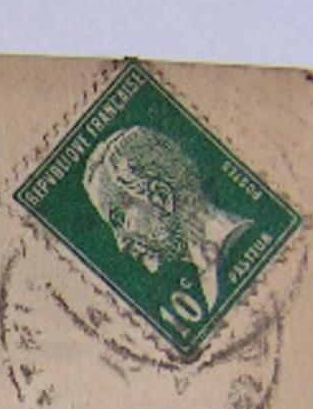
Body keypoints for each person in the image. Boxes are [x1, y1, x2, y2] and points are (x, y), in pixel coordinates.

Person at [81, 125, 254, 310]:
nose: (121, 244)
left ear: (161, 197)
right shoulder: (208, 276)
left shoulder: (244, 242)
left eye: (120, 219)